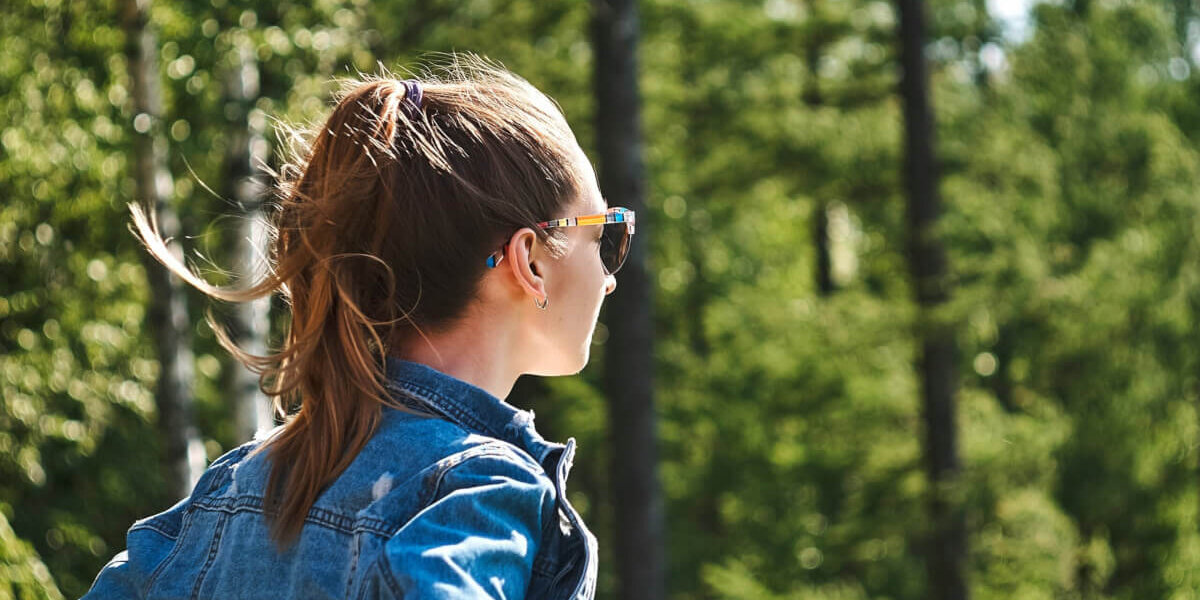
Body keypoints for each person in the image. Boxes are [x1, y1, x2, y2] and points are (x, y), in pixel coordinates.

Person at [83, 53, 635, 599]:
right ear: (531, 261)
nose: (609, 278)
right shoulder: (475, 492)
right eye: (604, 236)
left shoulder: (231, 487)